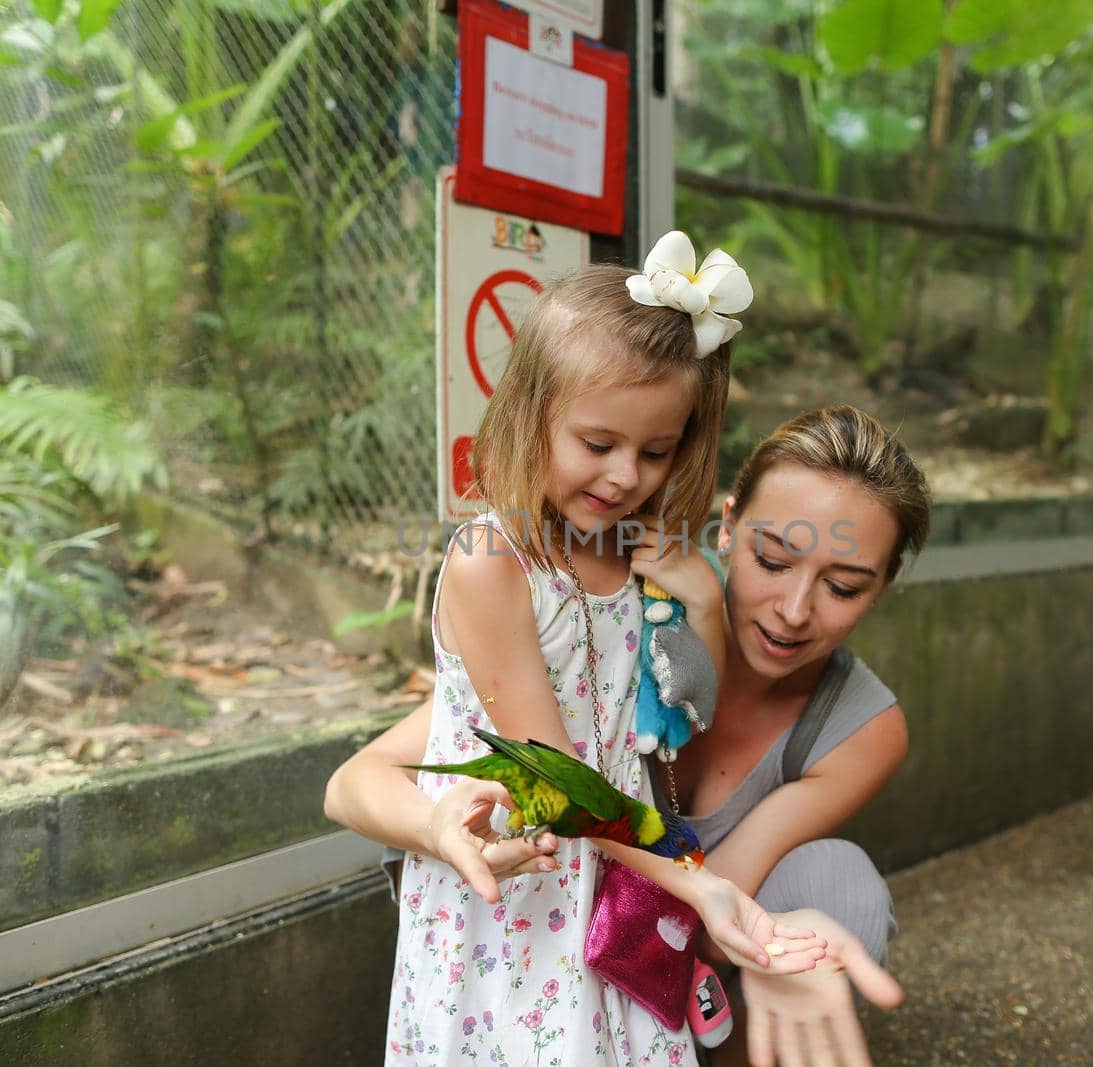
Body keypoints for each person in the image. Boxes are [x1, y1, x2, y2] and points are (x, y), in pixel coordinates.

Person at [324, 234, 826, 1066]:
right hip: (523, 896)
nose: (627, 474)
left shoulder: (633, 557)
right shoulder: (493, 563)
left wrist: (694, 592)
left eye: (655, 450)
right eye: (598, 443)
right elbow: (560, 780)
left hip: (613, 885)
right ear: (532, 415)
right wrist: (697, 880)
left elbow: (658, 713)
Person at [669, 404, 930, 1066]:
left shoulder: (863, 725)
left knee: (842, 887)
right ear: (726, 527)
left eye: (841, 587)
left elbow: (698, 928)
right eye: (773, 559)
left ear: (882, 586)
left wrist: (804, 938)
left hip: (701, 983)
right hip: (555, 946)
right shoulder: (637, 605)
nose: (793, 612)